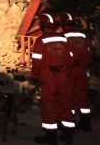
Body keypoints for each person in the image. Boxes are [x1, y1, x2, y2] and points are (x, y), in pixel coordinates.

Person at [32, 13, 75, 145]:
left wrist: (35, 76)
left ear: (42, 26)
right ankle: (68, 136)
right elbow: (71, 57)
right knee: (65, 103)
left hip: (48, 75)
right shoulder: (63, 38)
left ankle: (51, 137)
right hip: (63, 74)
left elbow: (37, 61)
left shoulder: (40, 40)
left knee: (48, 105)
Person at [58, 12, 92, 131]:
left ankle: (68, 124)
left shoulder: (62, 36)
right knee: (82, 97)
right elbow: (88, 54)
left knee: (68, 97)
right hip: (82, 70)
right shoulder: (82, 36)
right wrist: (85, 68)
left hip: (70, 71)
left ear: (62, 24)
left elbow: (61, 56)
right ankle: (86, 123)